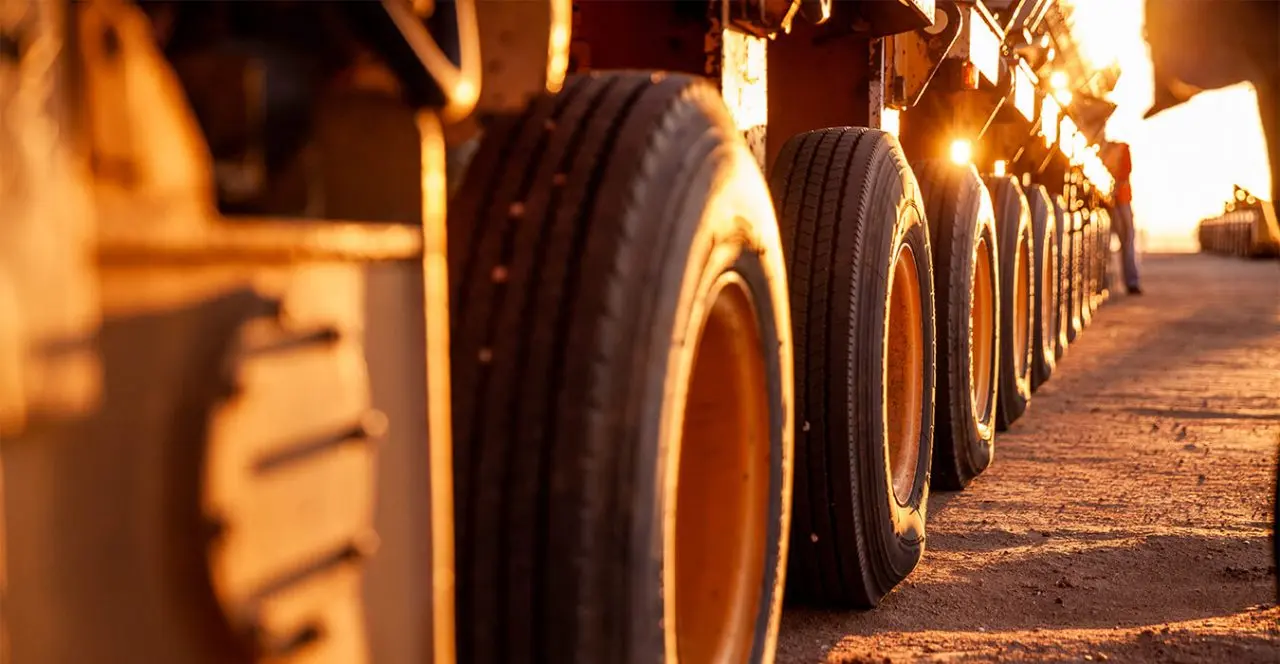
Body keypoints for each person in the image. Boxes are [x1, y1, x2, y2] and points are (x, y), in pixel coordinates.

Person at [1103, 141, 1142, 295]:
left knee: (1126, 241)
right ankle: (1131, 282)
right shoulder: (1122, 149)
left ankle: (1129, 281)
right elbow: (1126, 172)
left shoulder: (1117, 149)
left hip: (1118, 200)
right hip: (1121, 201)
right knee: (1127, 241)